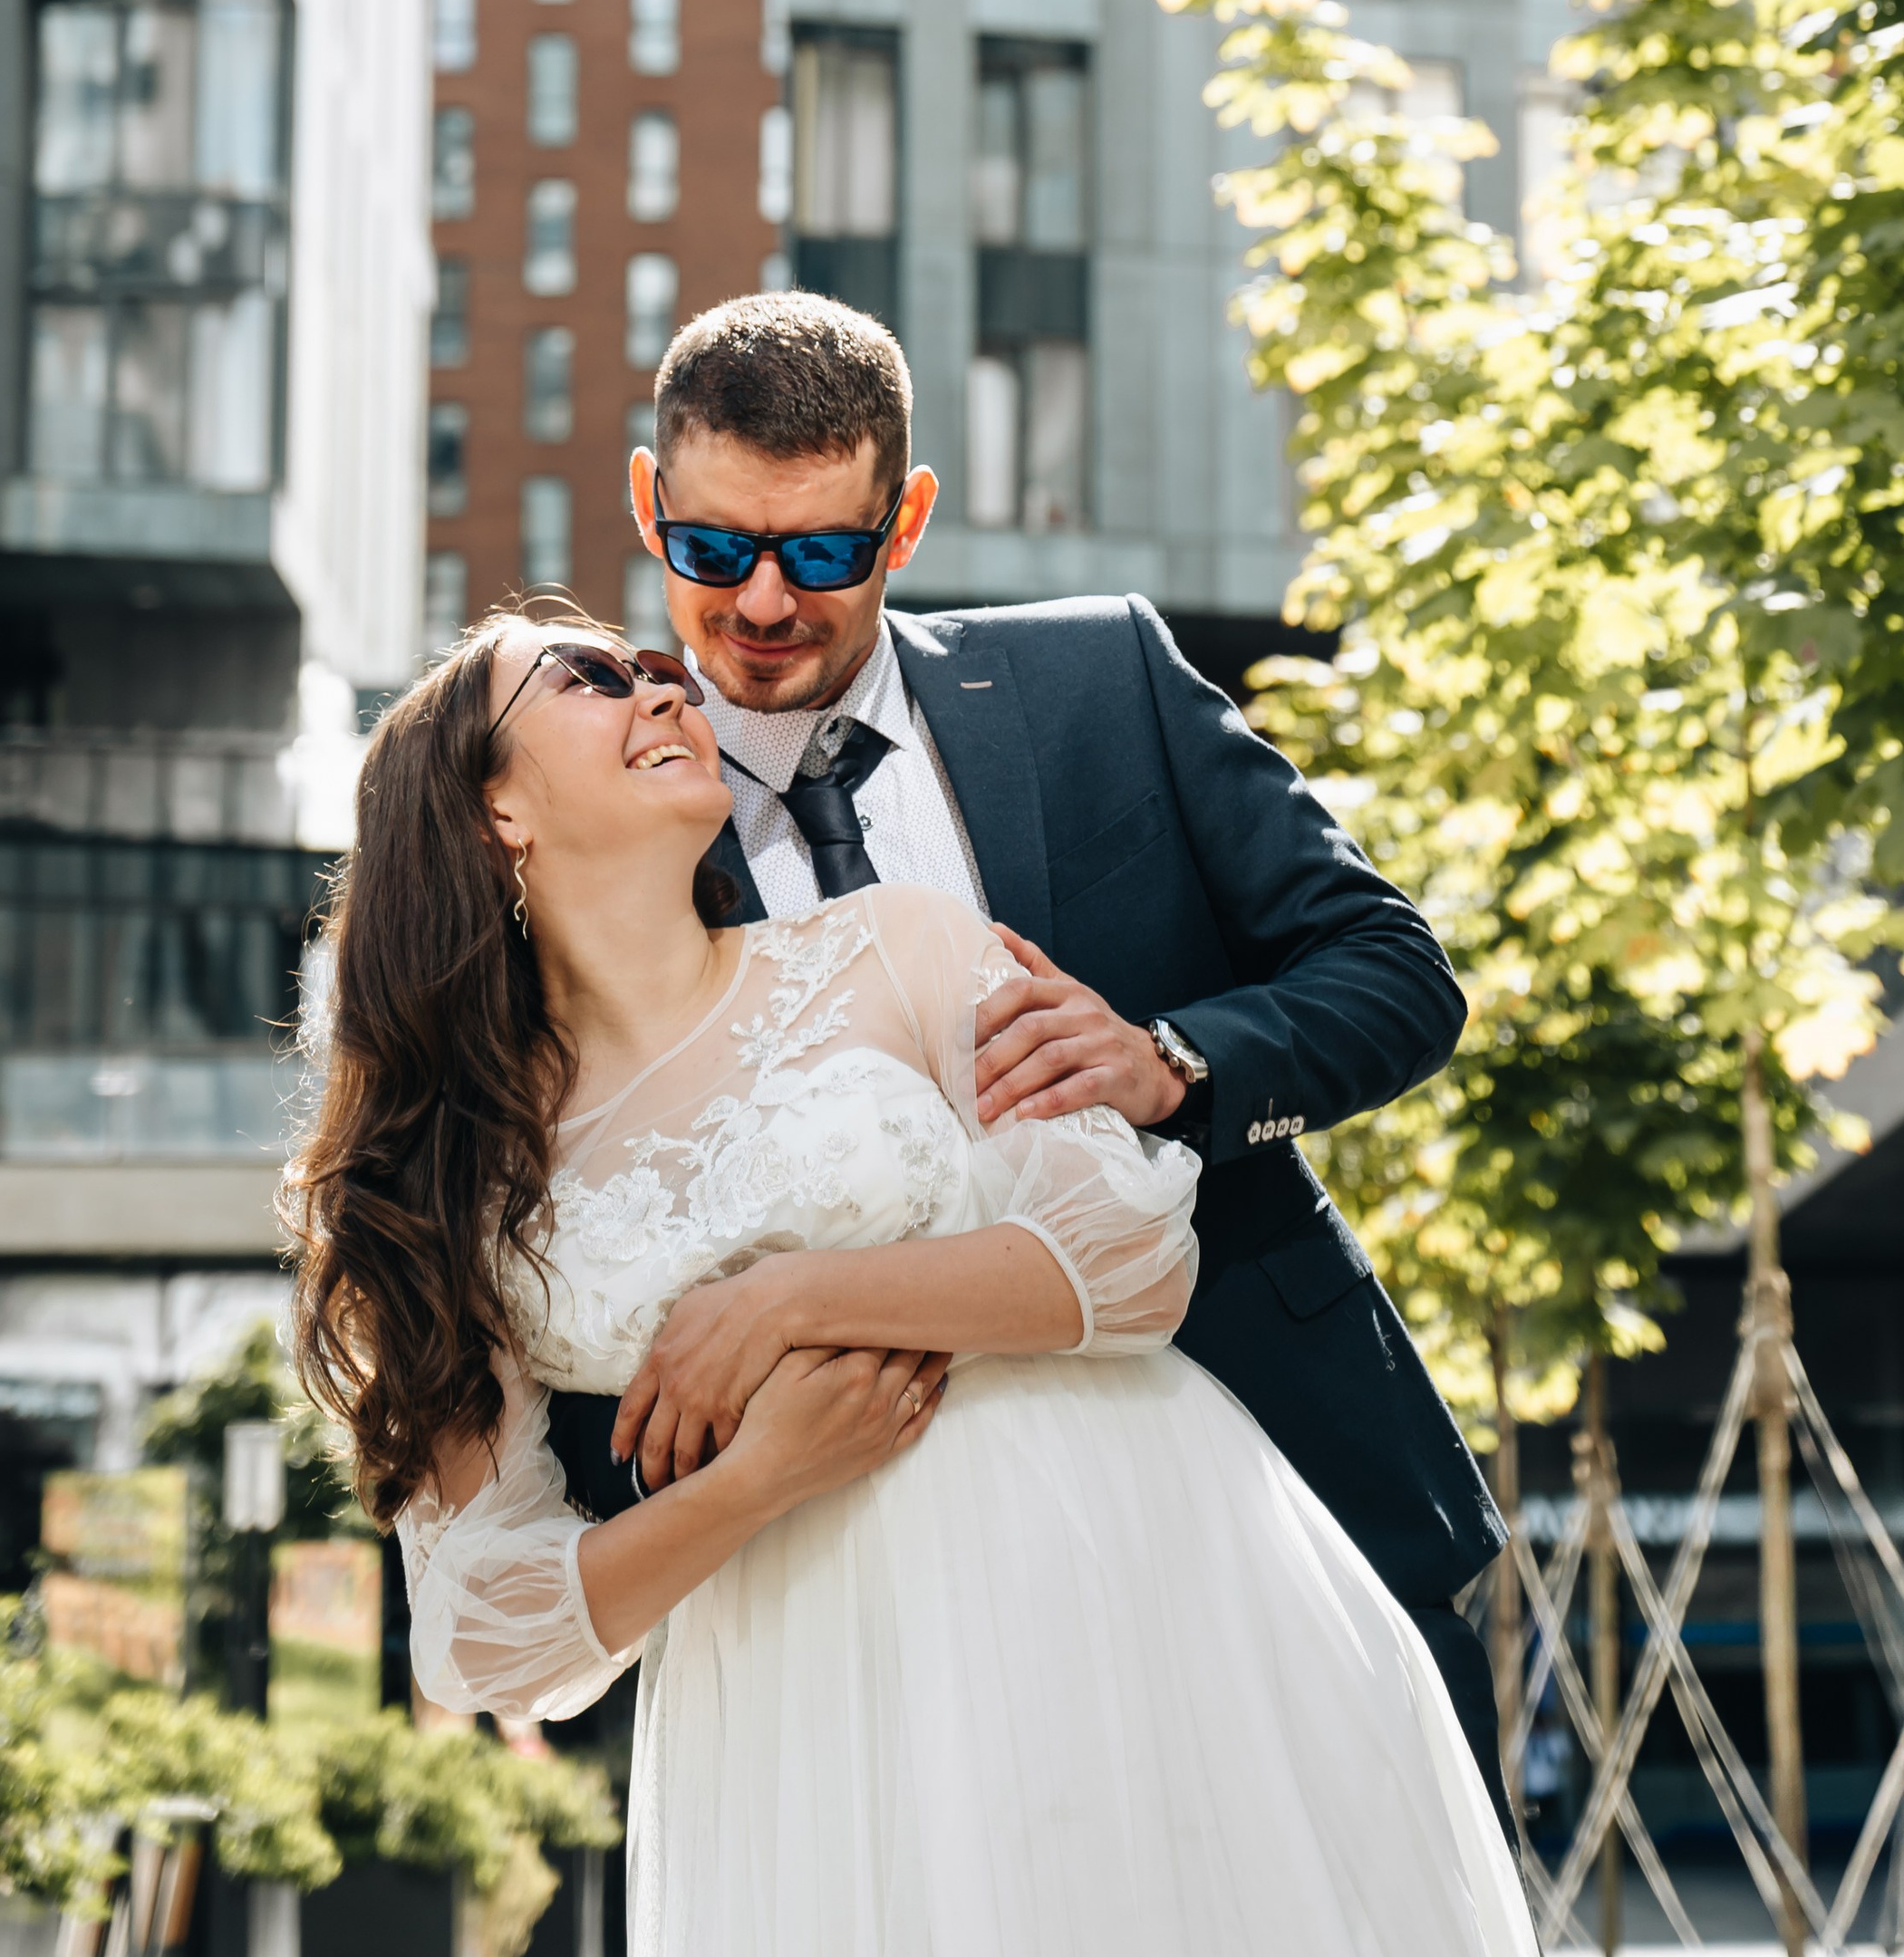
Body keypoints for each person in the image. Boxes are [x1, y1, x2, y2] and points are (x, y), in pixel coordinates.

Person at [285, 603, 1533, 1957]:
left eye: (657, 673)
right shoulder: (453, 1181)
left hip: (1117, 1571)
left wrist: (784, 1302)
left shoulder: (901, 945)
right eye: (591, 679)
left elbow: (1127, 1254)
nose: (663, 689)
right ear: (495, 812)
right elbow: (490, 1629)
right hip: (802, 1704)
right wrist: (755, 1479)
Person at [586, 290, 1510, 1805]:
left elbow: (1400, 974)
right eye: (711, 548)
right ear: (648, 500)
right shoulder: (601, 812)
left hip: (1273, 1487)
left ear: (908, 520)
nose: (760, 604)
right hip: (864, 1618)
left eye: (821, 553)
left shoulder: (1103, 683)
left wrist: (1175, 1063)